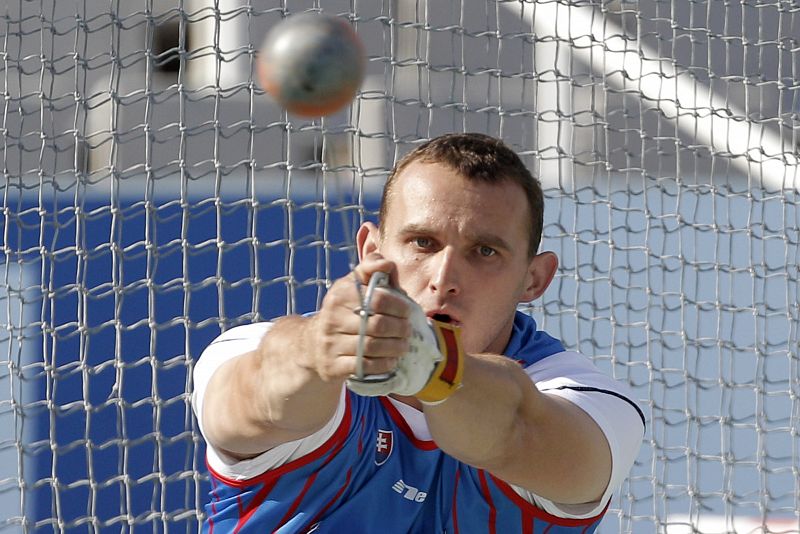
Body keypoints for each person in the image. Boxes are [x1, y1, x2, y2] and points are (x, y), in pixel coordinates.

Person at [191, 133, 645, 533]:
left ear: (534, 279)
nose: (444, 277)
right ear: (371, 249)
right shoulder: (259, 352)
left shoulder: (591, 402)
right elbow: (258, 395)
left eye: (484, 251)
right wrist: (314, 351)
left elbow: (513, 428)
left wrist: (431, 364)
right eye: (422, 243)